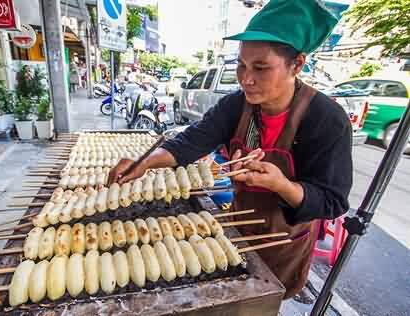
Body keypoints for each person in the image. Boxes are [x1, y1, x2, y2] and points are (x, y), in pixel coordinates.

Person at [108, 0, 353, 300]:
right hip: (236, 227)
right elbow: (192, 141)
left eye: (261, 68)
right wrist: (144, 164)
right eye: (241, 65)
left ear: (297, 64)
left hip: (283, 242)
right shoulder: (237, 105)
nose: (246, 79)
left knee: (264, 303)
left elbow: (332, 200)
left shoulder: (326, 119)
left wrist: (281, 185)